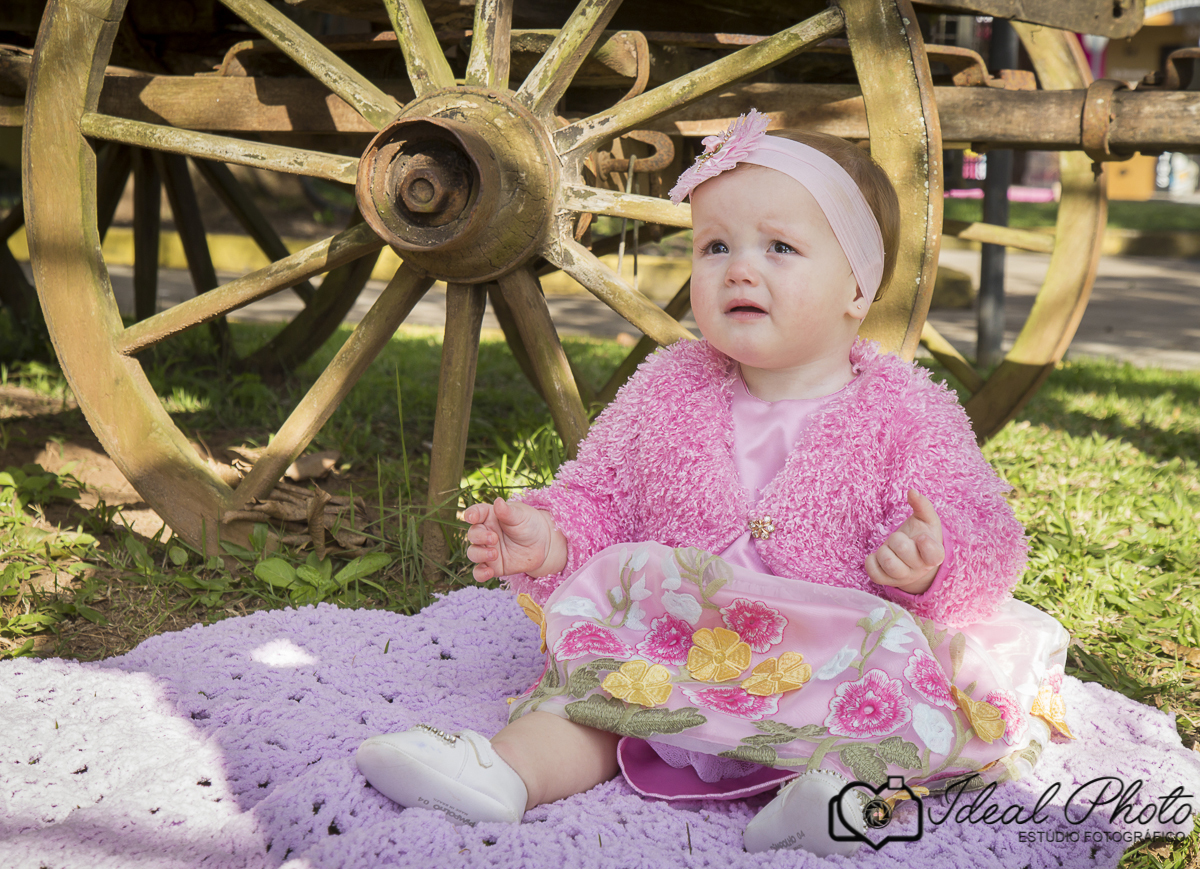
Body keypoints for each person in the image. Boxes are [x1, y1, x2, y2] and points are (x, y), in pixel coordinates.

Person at [356, 110, 1072, 856]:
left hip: (834, 655)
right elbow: (602, 493)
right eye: (715, 246)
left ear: (858, 289)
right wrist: (550, 534)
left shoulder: (906, 410)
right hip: (682, 645)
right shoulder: (671, 385)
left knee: (901, 692)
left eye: (779, 247)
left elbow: (982, 528)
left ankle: (833, 796)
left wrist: (933, 560)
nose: (739, 268)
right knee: (594, 695)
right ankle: (505, 772)